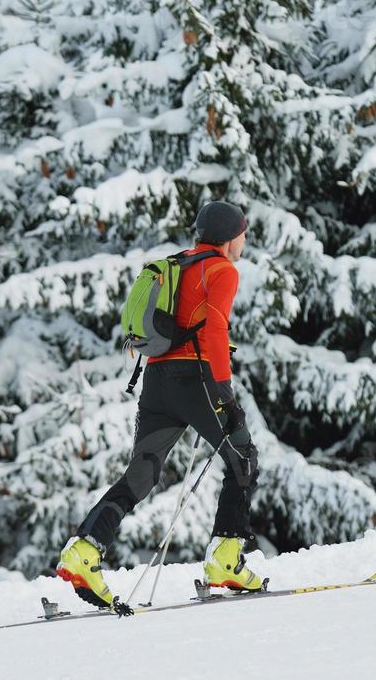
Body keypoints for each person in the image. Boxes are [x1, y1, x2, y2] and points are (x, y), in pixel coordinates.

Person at [56, 200, 263, 608]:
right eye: (242, 232)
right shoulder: (222, 270)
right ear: (227, 237)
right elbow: (215, 331)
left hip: (157, 381)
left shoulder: (178, 264)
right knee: (244, 459)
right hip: (196, 380)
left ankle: (84, 551)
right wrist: (225, 393)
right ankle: (225, 560)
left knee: (143, 473)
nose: (244, 240)